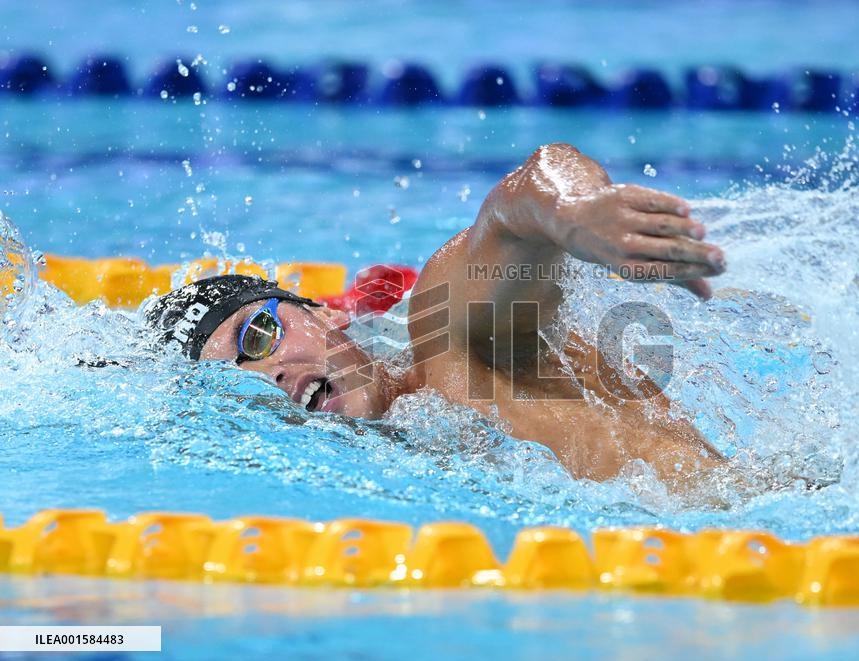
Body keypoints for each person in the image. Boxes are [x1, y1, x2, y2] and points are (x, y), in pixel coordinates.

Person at [145, 144, 729, 491]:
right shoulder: (397, 458)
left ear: (326, 314)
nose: (264, 377)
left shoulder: (444, 341)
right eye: (230, 384)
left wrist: (575, 214)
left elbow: (520, 200)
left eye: (259, 334)